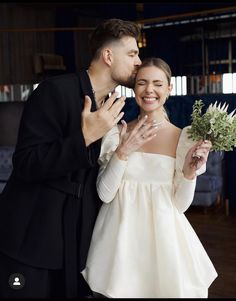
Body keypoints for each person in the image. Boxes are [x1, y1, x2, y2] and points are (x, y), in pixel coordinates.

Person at [0, 18, 141, 298]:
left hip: (77, 238)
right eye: (132, 53)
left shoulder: (111, 105)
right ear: (108, 55)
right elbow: (27, 163)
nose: (139, 61)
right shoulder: (54, 90)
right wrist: (85, 137)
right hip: (32, 234)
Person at [81, 57, 218, 298]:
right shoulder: (117, 132)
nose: (149, 90)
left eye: (157, 83)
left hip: (165, 243)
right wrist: (123, 151)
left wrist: (188, 172)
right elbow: (105, 193)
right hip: (120, 244)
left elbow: (180, 206)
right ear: (134, 89)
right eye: (142, 83)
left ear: (169, 88)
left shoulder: (183, 137)